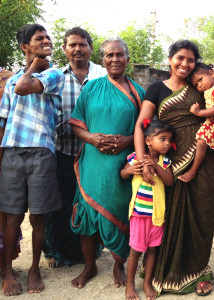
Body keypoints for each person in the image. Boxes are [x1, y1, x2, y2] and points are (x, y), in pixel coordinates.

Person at [134, 40, 214, 296]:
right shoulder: (155, 89)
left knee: (201, 216)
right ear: (170, 58)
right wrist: (143, 162)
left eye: (191, 60)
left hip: (205, 161)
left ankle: (196, 271)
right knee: (170, 217)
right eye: (180, 58)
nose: (185, 64)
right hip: (171, 164)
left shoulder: (204, 88)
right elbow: (142, 125)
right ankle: (163, 272)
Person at [68, 37, 145, 289]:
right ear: (101, 59)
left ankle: (118, 265)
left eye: (119, 54)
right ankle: (89, 266)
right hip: (93, 162)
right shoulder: (91, 88)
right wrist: (92, 138)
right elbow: (76, 123)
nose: (114, 59)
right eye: (109, 55)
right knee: (88, 213)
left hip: (122, 167)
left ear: (127, 59)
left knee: (120, 213)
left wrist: (126, 142)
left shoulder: (138, 92)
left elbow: (146, 131)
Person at [0, 24, 64, 296]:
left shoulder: (54, 74)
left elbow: (24, 88)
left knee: (38, 218)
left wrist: (33, 67)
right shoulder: (13, 79)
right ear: (25, 47)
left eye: (48, 37)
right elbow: (3, 123)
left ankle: (35, 268)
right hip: (12, 152)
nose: (47, 41)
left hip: (41, 151)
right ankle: (7, 273)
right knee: (11, 219)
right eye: (40, 39)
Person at [43, 27, 107, 268]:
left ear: (90, 48)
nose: (78, 49)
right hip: (62, 150)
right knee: (58, 203)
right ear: (64, 49)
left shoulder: (103, 76)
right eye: (72, 45)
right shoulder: (56, 76)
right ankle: (56, 252)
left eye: (82, 44)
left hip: (94, 154)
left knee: (90, 203)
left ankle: (91, 251)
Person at [121, 120, 174, 300]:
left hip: (157, 217)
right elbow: (122, 173)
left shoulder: (164, 161)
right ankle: (130, 285)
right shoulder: (136, 157)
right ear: (148, 140)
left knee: (152, 251)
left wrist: (156, 166)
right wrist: (130, 171)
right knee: (135, 252)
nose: (167, 143)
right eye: (162, 139)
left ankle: (146, 283)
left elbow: (169, 181)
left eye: (169, 139)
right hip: (138, 215)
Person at [180, 62, 214, 182]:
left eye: (200, 80)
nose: (199, 86)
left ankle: (193, 171)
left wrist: (198, 112)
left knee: (201, 143)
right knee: (203, 145)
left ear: (211, 73)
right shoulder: (211, 89)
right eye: (196, 85)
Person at [0, 67, 22, 271]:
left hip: (8, 151)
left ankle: (5, 268)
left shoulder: (8, 78)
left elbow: (3, 123)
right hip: (8, 153)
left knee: (7, 215)